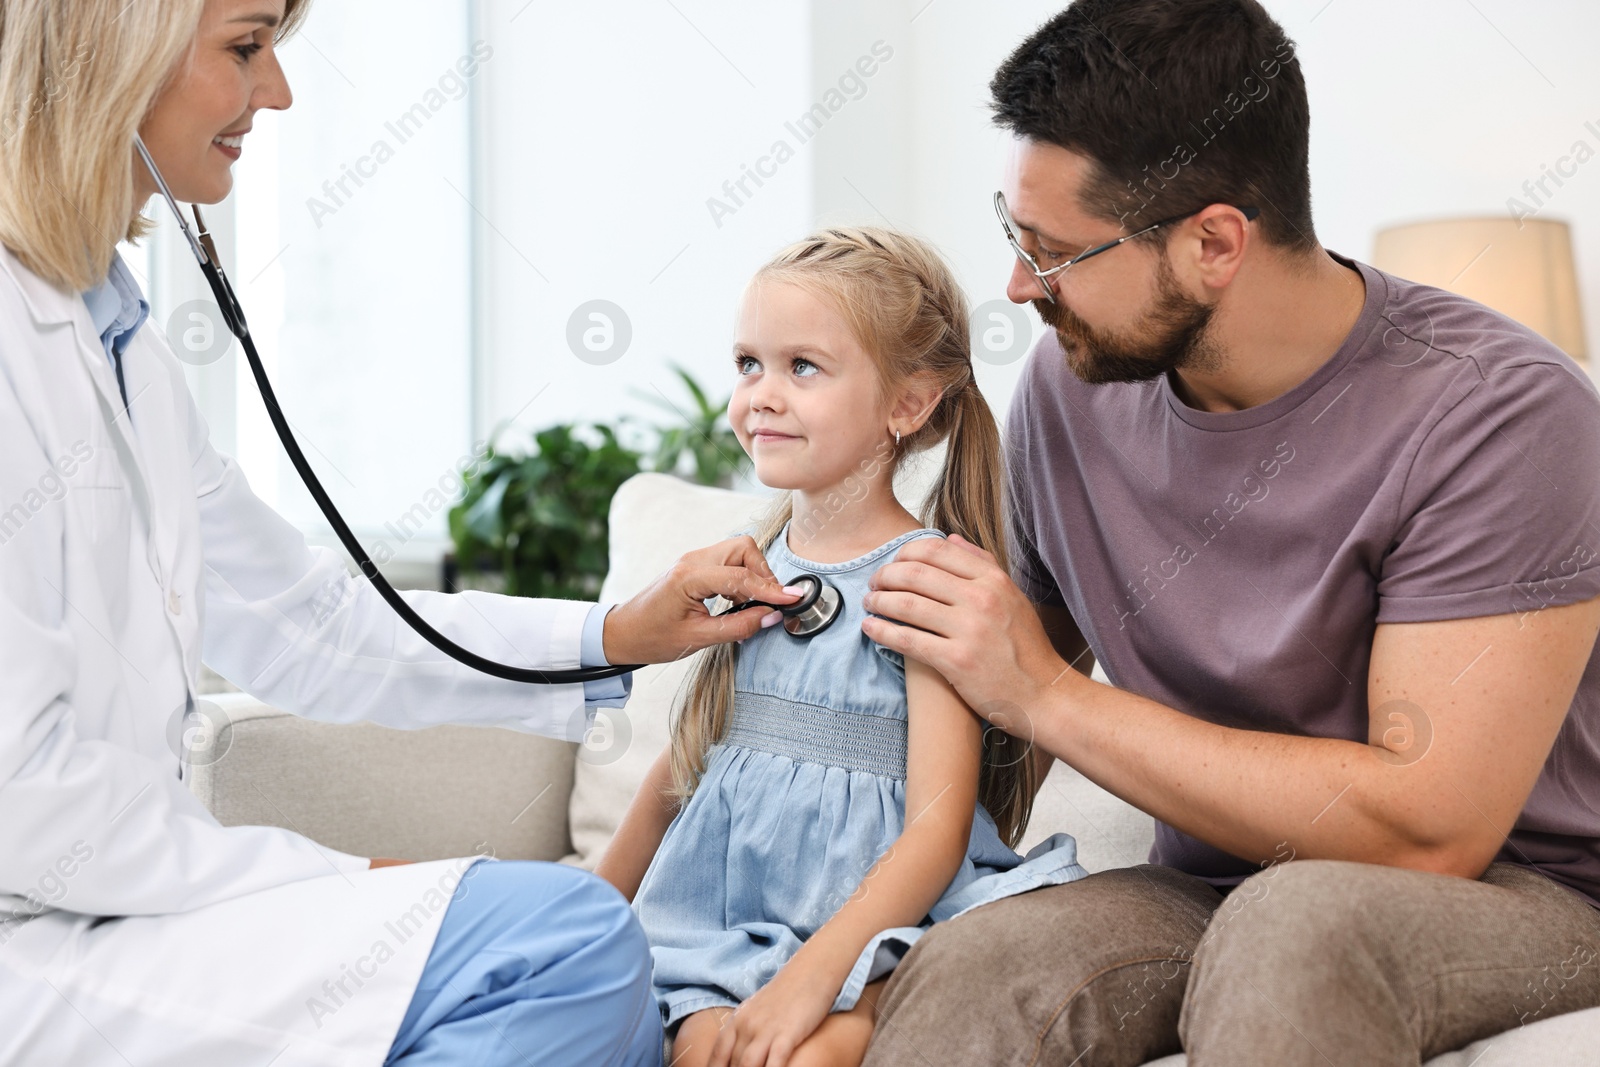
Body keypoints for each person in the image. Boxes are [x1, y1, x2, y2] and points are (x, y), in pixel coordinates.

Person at [0, 1, 800, 1064]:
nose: (275, 92)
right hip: (45, 940)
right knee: (566, 943)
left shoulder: (118, 340)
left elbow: (314, 625)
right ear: (113, 49)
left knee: (571, 945)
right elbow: (27, 803)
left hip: (114, 914)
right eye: (245, 48)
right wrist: (333, 876)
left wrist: (617, 635)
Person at [856, 2, 1600, 1065]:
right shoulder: (1072, 389)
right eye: (1014, 236)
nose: (1020, 286)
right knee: (987, 959)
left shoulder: (1500, 413)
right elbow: (977, 683)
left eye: (1054, 253)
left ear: (1213, 243)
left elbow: (1428, 830)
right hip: (1209, 879)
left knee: (1294, 925)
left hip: (1527, 894)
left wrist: (1051, 694)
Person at [594, 228, 1087, 1067]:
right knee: (703, 1050)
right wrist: (582, 915)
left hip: (875, 924)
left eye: (803, 367)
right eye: (749, 363)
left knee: (805, 1055)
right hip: (724, 927)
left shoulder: (928, 578)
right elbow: (684, 766)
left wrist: (818, 975)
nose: (762, 395)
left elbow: (935, 827)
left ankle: (879, 1001)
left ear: (907, 405)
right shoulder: (746, 563)